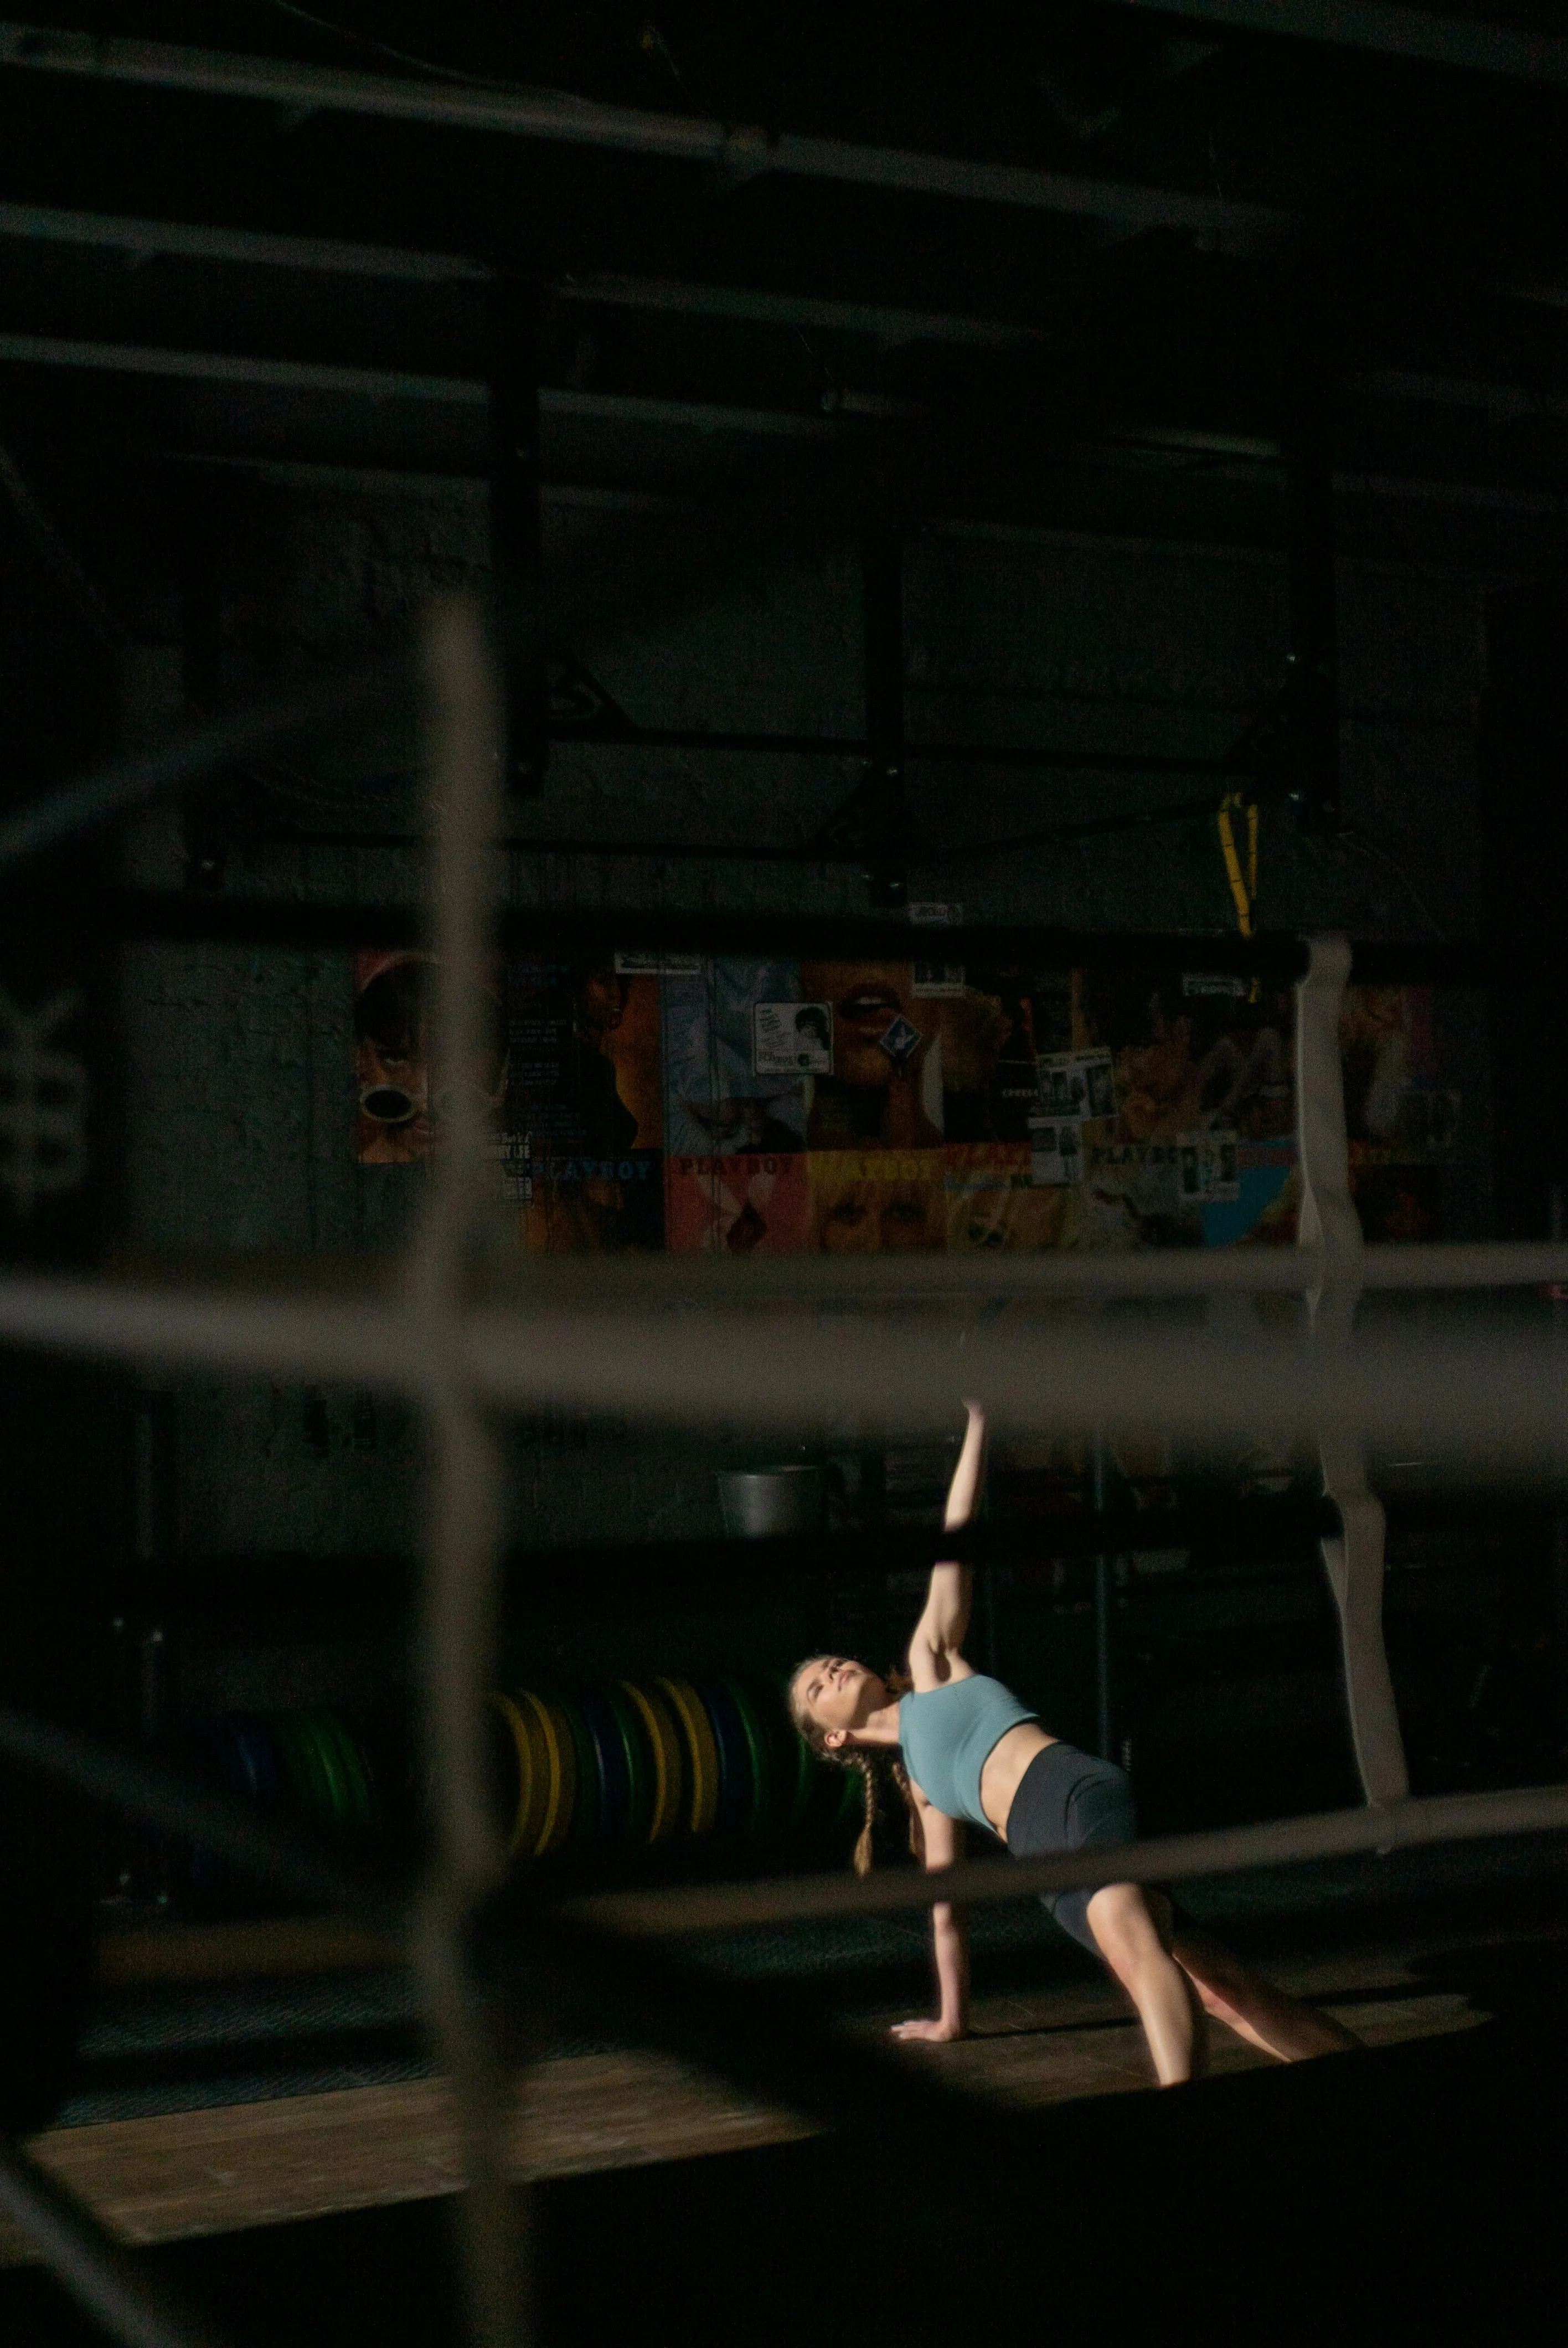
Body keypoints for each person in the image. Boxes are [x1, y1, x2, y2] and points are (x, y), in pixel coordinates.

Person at [788, 1403, 1360, 2086]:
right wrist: (951, 2019)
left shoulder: (932, 1665)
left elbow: (957, 1540)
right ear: (834, 1734)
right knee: (1218, 1988)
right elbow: (950, 1912)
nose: (832, 1669)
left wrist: (978, 1426)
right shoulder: (923, 1791)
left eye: (830, 1663)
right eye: (818, 1685)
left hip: (1071, 1796)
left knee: (1138, 1947)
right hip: (1048, 1869)